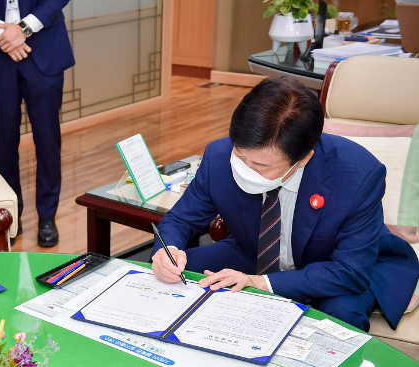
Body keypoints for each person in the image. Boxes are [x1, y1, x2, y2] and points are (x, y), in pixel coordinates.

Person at [151, 76, 419, 332]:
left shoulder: (358, 174)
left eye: (261, 165)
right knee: (176, 277)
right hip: (253, 250)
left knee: (341, 318)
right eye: (240, 155)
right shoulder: (219, 155)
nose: (245, 169)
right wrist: (169, 251)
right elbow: (180, 219)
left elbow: (350, 270)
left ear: (303, 159)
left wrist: (260, 283)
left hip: (335, 266)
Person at [0, 0, 75, 247]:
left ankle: (47, 217)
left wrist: (24, 28)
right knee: (3, 143)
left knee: (48, 141)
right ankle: (10, 215)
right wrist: (1, 34)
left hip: (43, 45)